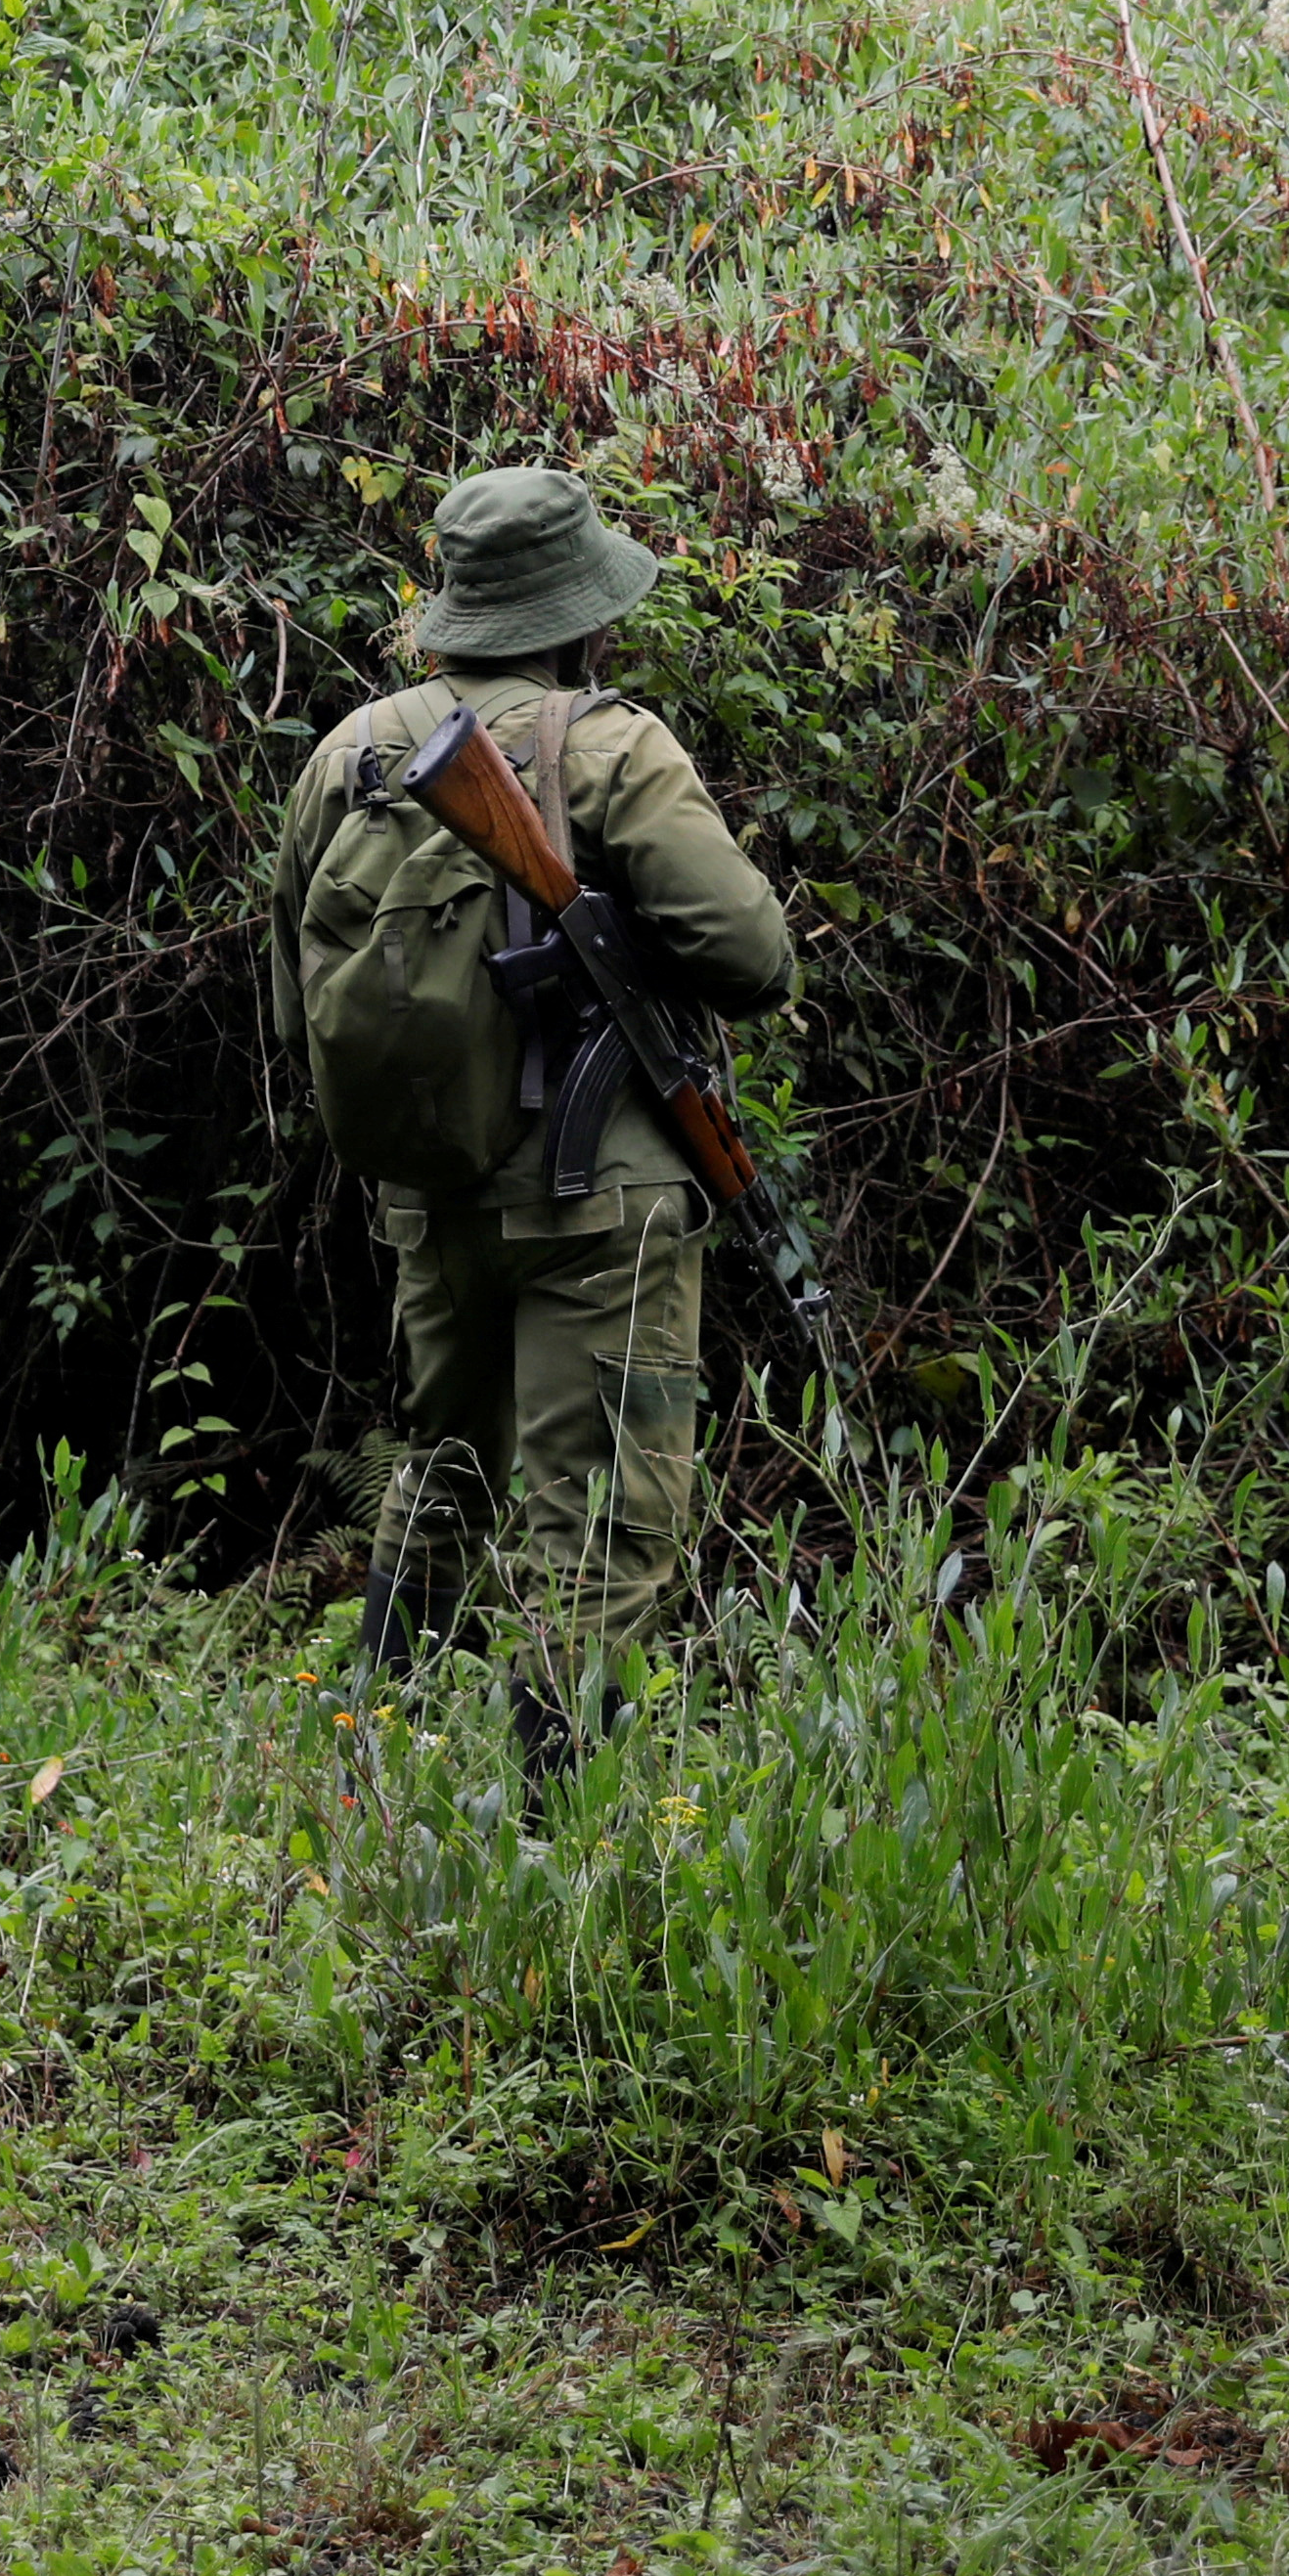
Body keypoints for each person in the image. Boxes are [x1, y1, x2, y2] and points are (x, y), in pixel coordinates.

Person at [270, 465, 794, 1762]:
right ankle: (555, 1846)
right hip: (597, 1197)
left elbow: (294, 999)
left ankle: (367, 1767)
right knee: (602, 1512)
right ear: (576, 611)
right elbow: (753, 958)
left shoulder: (347, 753)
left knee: (441, 1470)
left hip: (428, 1193)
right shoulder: (611, 743)